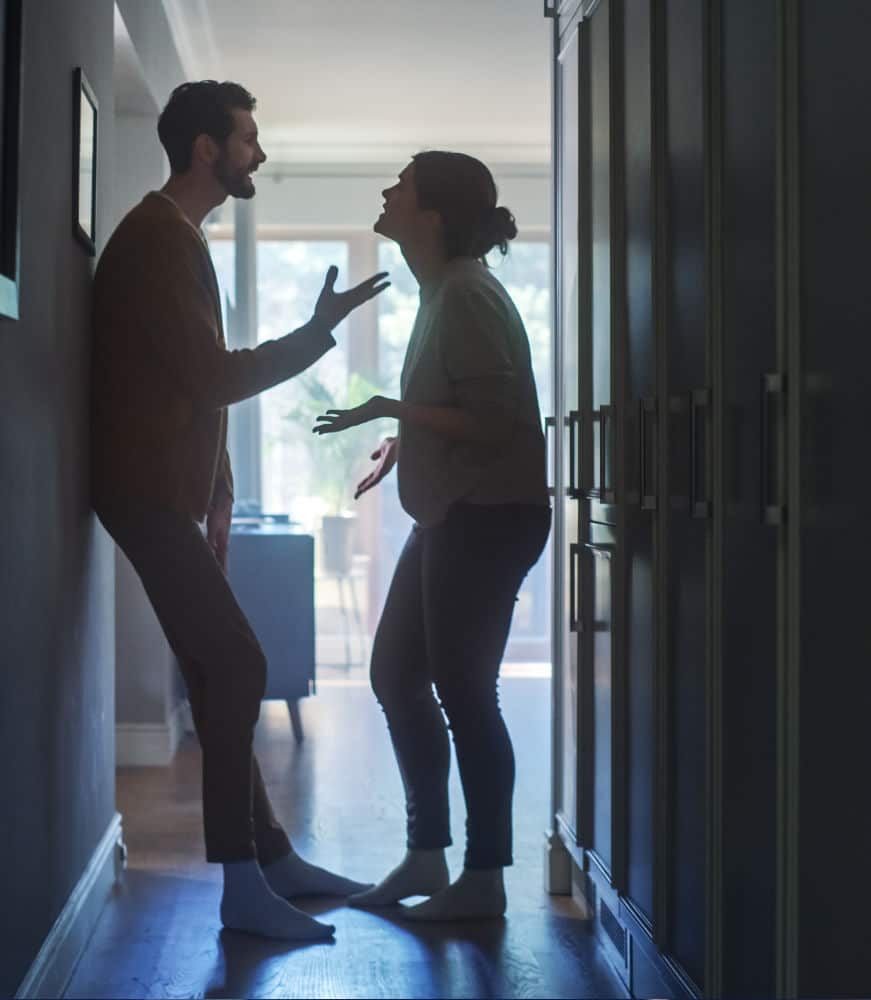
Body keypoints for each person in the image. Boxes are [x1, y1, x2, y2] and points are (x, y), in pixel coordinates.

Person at [91, 81, 389, 940]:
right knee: (243, 665)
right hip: (142, 494)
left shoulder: (178, 237)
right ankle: (243, 890)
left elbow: (190, 383)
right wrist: (317, 330)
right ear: (206, 150)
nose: (260, 152)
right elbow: (214, 378)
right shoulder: (158, 240)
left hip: (163, 495)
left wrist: (218, 494)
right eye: (249, 138)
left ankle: (274, 860)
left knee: (220, 670)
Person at [312, 151, 550, 920]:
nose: (387, 190)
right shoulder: (443, 291)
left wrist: (390, 410)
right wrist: (409, 442)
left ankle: (483, 880)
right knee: (395, 675)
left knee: (463, 692)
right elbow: (465, 410)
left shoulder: (467, 295)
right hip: (456, 512)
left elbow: (498, 423)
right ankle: (426, 856)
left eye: (402, 185)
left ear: (433, 214)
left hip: (489, 517)